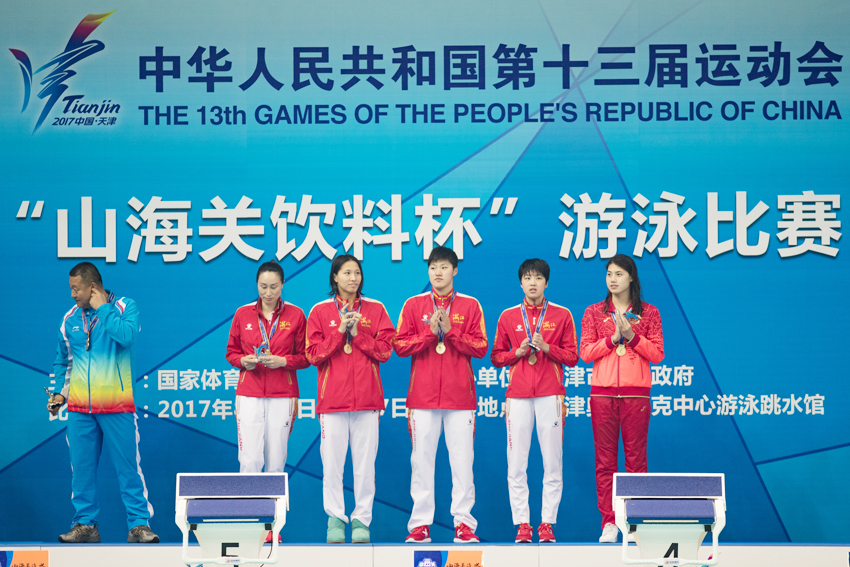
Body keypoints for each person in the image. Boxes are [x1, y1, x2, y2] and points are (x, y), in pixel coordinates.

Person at [48, 262, 158, 544]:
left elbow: (126, 337)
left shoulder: (124, 306)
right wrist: (59, 393)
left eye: (77, 289)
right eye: (71, 288)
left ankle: (138, 524)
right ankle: (85, 524)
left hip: (116, 405)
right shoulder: (70, 319)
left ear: (93, 287)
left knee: (128, 469)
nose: (72, 294)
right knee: (81, 470)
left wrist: (103, 309)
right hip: (79, 410)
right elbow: (64, 360)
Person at [393, 246, 488, 544]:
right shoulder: (413, 304)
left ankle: (464, 524)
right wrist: (429, 334)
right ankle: (420, 524)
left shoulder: (471, 305)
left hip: (460, 399)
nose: (438, 272)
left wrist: (452, 332)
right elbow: (399, 346)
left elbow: (481, 347)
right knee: (421, 463)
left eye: (444, 267)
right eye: (433, 267)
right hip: (422, 399)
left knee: (462, 463)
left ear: (455, 270)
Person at [305, 255, 396, 544]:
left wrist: (357, 335)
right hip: (332, 402)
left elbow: (386, 351)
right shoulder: (320, 311)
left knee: (365, 466)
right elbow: (312, 355)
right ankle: (335, 518)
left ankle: (361, 520)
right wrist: (339, 332)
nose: (353, 278)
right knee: (332, 465)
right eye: (346, 273)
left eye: (357, 272)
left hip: (367, 401)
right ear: (334, 277)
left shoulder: (375, 309)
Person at [490, 259, 578, 544]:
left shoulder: (562, 314)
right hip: (517, 397)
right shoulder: (508, 316)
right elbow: (496, 357)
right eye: (527, 278)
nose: (532, 283)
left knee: (552, 462)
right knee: (516, 463)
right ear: (520, 283)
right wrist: (516, 353)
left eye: (538, 278)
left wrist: (548, 347)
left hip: (550, 395)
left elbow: (573, 357)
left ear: (546, 283)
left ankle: (547, 523)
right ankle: (523, 523)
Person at [580, 254, 664, 543]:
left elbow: (658, 354)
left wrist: (632, 336)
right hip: (602, 395)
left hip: (635, 395)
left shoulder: (649, 313)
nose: (612, 279)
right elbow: (585, 353)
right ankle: (610, 522)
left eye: (618, 274)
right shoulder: (594, 312)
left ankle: (635, 521)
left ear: (631, 277)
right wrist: (613, 338)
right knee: (605, 462)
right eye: (609, 274)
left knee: (636, 461)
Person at [225, 260, 309, 543]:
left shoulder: (296, 314)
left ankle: (272, 527)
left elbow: (306, 356)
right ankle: (248, 522)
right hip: (249, 393)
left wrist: (283, 361)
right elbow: (230, 352)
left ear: (283, 285)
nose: (268, 292)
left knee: (276, 460)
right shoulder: (242, 314)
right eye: (263, 286)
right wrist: (243, 361)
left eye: (274, 286)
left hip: (282, 395)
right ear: (256, 285)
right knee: (249, 458)